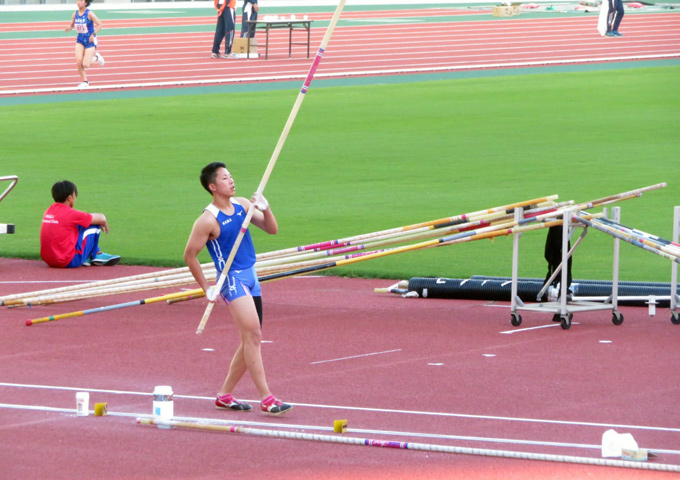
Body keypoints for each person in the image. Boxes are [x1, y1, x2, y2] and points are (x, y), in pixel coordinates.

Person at [184, 162, 292, 416]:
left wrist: (266, 209)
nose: (231, 181)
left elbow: (271, 229)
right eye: (225, 178)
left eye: (231, 176)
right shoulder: (207, 220)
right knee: (253, 336)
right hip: (232, 281)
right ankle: (267, 398)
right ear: (213, 187)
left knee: (250, 339)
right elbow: (190, 255)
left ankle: (224, 395)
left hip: (252, 275)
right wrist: (206, 288)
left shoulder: (243, 204)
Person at [40, 180, 120, 268]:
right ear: (70, 198)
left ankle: (94, 253)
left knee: (78, 225)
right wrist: (101, 222)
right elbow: (102, 218)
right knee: (95, 226)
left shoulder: (49, 210)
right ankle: (94, 255)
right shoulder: (71, 213)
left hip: (49, 260)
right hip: (67, 261)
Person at [65, 0, 105, 89]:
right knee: (79, 62)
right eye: (78, 0)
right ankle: (85, 81)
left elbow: (100, 24)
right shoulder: (75, 14)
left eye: (81, 1)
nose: (78, 2)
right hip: (80, 40)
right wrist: (69, 28)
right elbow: (72, 25)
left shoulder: (89, 14)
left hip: (90, 40)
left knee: (85, 64)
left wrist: (93, 34)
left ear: (85, 3)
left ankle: (97, 57)